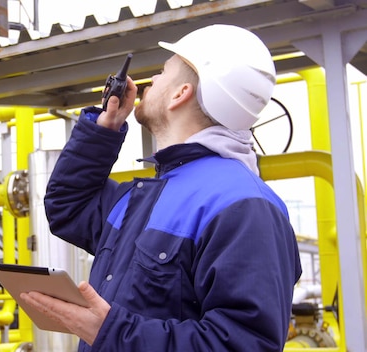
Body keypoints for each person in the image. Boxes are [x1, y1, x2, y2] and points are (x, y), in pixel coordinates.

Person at [20, 24, 302, 351]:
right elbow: (68, 207)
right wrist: (105, 128)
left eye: (162, 71)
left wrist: (111, 333)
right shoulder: (150, 194)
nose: (151, 80)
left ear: (181, 93)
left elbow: (244, 344)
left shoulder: (245, 206)